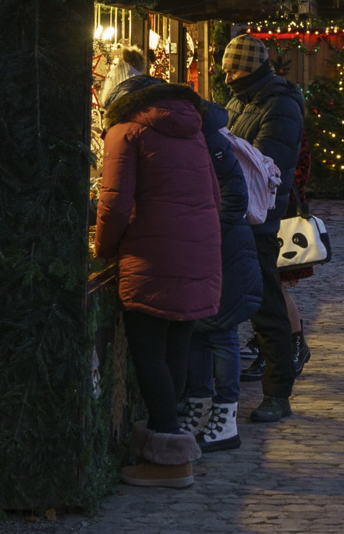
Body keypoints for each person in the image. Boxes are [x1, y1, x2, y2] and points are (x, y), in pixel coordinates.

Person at [94, 56, 223, 489]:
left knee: (147, 352)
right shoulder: (194, 132)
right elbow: (214, 195)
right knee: (176, 351)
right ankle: (171, 449)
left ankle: (168, 461)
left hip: (152, 257)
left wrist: (104, 248)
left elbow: (113, 203)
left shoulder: (124, 132)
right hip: (198, 253)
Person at [223, 33, 305, 422]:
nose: (227, 77)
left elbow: (267, 165)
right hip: (236, 214)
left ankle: (278, 391)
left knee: (267, 303)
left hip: (260, 218)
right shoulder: (242, 97)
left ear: (253, 67)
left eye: (234, 68)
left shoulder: (280, 104)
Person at [184, 97, 266, 454]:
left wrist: (203, 230)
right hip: (214, 247)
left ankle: (225, 418)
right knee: (201, 331)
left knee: (222, 333)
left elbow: (235, 199)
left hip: (226, 250)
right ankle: (201, 408)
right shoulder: (202, 136)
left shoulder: (211, 141)